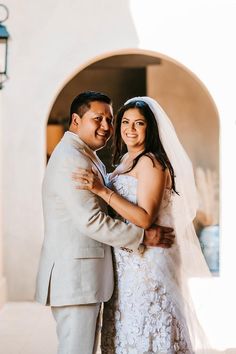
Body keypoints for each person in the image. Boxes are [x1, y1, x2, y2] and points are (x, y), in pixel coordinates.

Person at [35, 91, 175, 354]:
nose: (107, 127)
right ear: (76, 121)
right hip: (76, 277)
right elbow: (92, 220)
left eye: (110, 120)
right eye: (97, 119)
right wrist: (143, 236)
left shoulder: (88, 155)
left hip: (94, 277)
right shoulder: (71, 159)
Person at [74, 96, 212, 353]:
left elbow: (145, 217)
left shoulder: (151, 162)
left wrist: (102, 191)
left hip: (148, 260)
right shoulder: (127, 160)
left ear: (151, 128)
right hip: (128, 258)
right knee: (127, 328)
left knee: (149, 324)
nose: (130, 129)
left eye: (139, 123)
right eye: (125, 122)